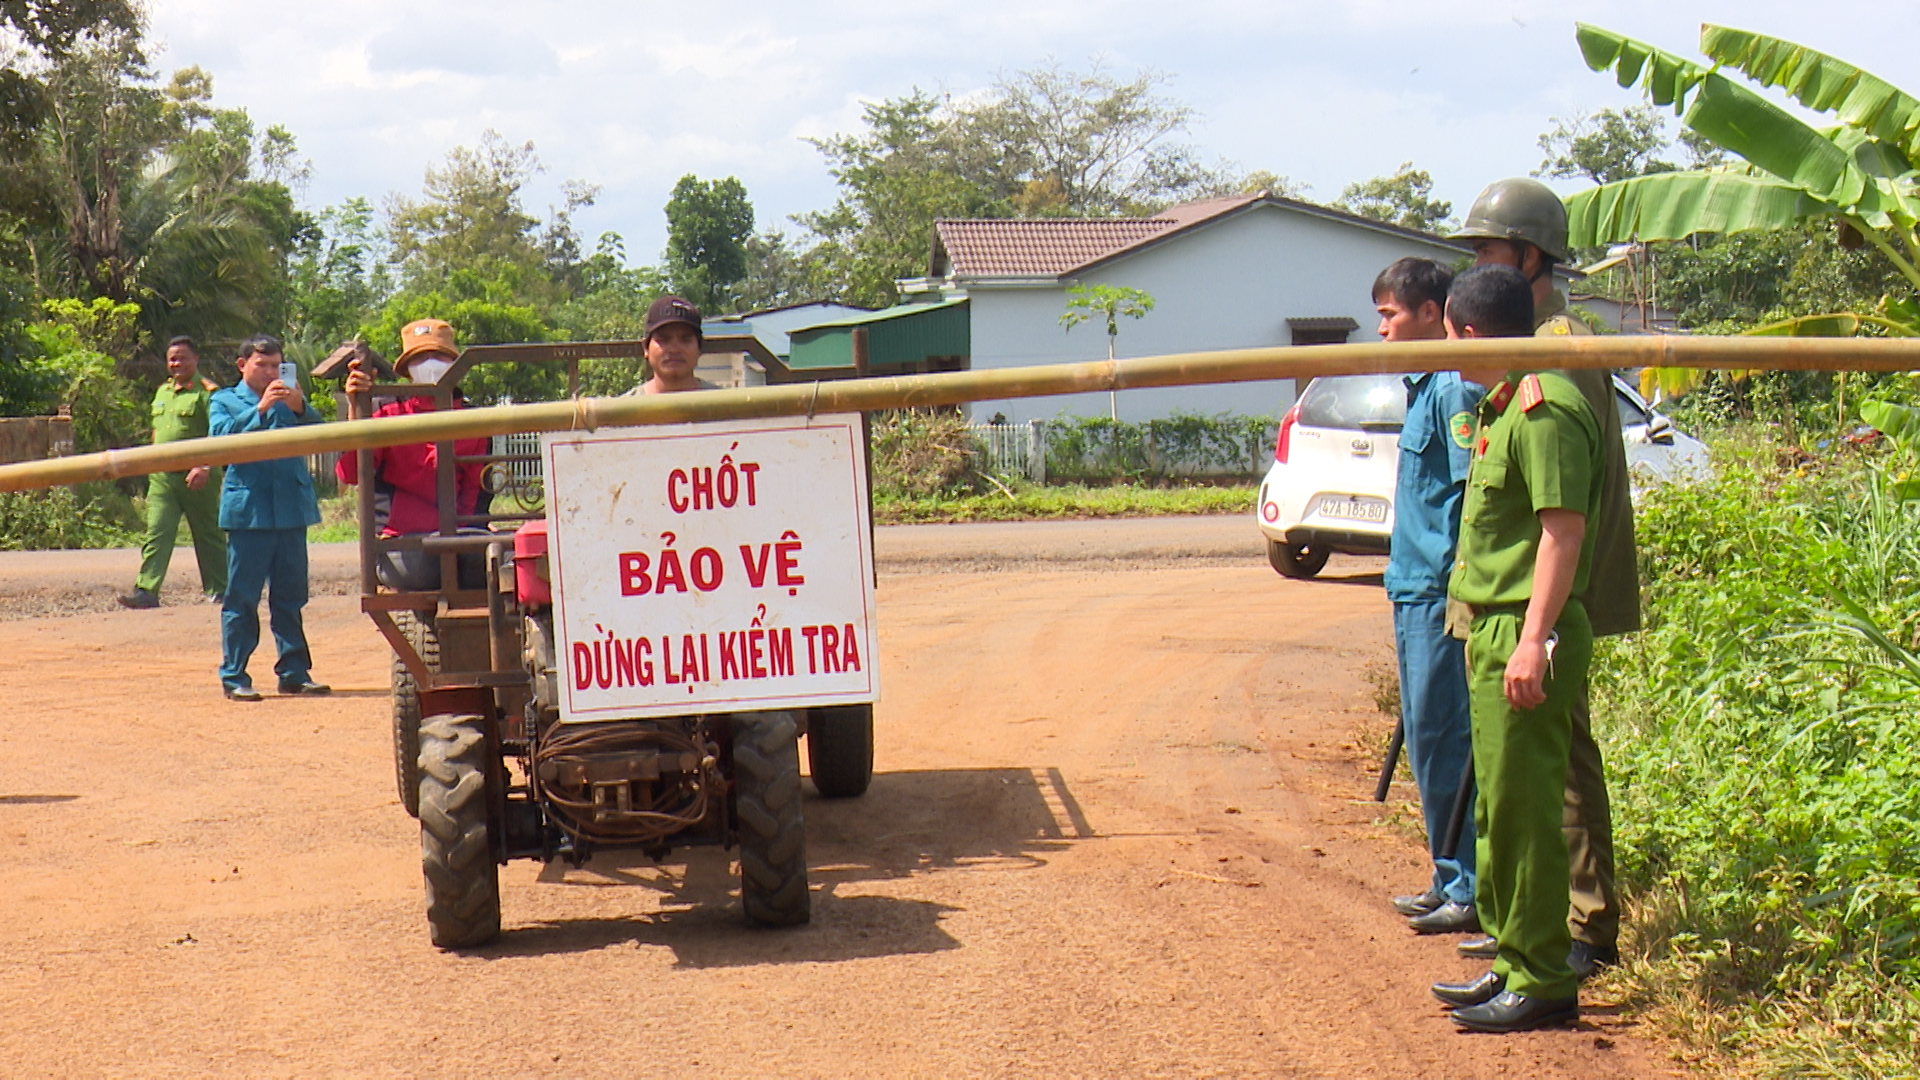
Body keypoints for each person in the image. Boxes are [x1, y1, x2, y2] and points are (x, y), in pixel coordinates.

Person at [1450, 177, 1635, 979]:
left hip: (1551, 595)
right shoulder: (1524, 346)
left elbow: (1566, 504)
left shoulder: (1555, 353)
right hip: (1526, 593)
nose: (1478, 268)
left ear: (1528, 258)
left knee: (1560, 765)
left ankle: (1584, 929)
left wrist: (1542, 622)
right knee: (1522, 778)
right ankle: (1527, 926)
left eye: (1488, 252)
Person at [1429, 264, 1602, 1033]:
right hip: (1494, 628)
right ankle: (1512, 955)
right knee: (1499, 806)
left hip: (1528, 630)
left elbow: (1562, 534)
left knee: (1528, 808)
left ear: (1466, 330)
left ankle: (1543, 979)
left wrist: (1534, 640)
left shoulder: (1542, 407)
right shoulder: (1504, 402)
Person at [1374, 258, 1485, 935]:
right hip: (1410, 586)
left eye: (1391, 316)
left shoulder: (1452, 390)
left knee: (1446, 740)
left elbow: (1475, 493)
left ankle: (1469, 884)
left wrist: (1462, 591)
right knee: (1426, 739)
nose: (1381, 330)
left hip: (1440, 592)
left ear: (1429, 312)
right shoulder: (1424, 387)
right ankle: (1448, 875)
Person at [210, 335, 328, 702]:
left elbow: (323, 438)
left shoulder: (291, 402)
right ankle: (234, 676)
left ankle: (294, 673)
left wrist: (300, 408)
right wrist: (259, 410)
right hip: (250, 515)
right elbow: (218, 441)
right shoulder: (224, 400)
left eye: (277, 365)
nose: (271, 372)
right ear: (242, 365)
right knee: (242, 599)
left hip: (291, 512)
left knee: (291, 598)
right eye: (262, 365)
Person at [336, 318, 488, 590]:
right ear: (407, 369)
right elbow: (350, 473)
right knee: (430, 565)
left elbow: (475, 493)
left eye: (438, 355)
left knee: (502, 562)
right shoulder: (387, 413)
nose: (430, 364)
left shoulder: (474, 420)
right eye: (421, 357)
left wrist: (468, 538)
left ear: (455, 365)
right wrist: (356, 409)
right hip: (403, 542)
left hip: (460, 537)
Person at [119, 336, 228, 609]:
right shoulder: (162, 392)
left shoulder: (208, 393)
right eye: (172, 358)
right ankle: (147, 590)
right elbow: (158, 432)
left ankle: (220, 589)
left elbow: (217, 434)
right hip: (163, 477)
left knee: (208, 534)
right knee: (157, 531)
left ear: (196, 360)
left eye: (182, 357)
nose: (176, 363)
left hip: (198, 477)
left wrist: (204, 467)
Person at [626, 296, 717, 395]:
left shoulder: (726, 406)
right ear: (646, 348)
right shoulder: (623, 408)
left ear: (699, 347)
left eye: (685, 339)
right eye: (663, 339)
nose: (674, 349)